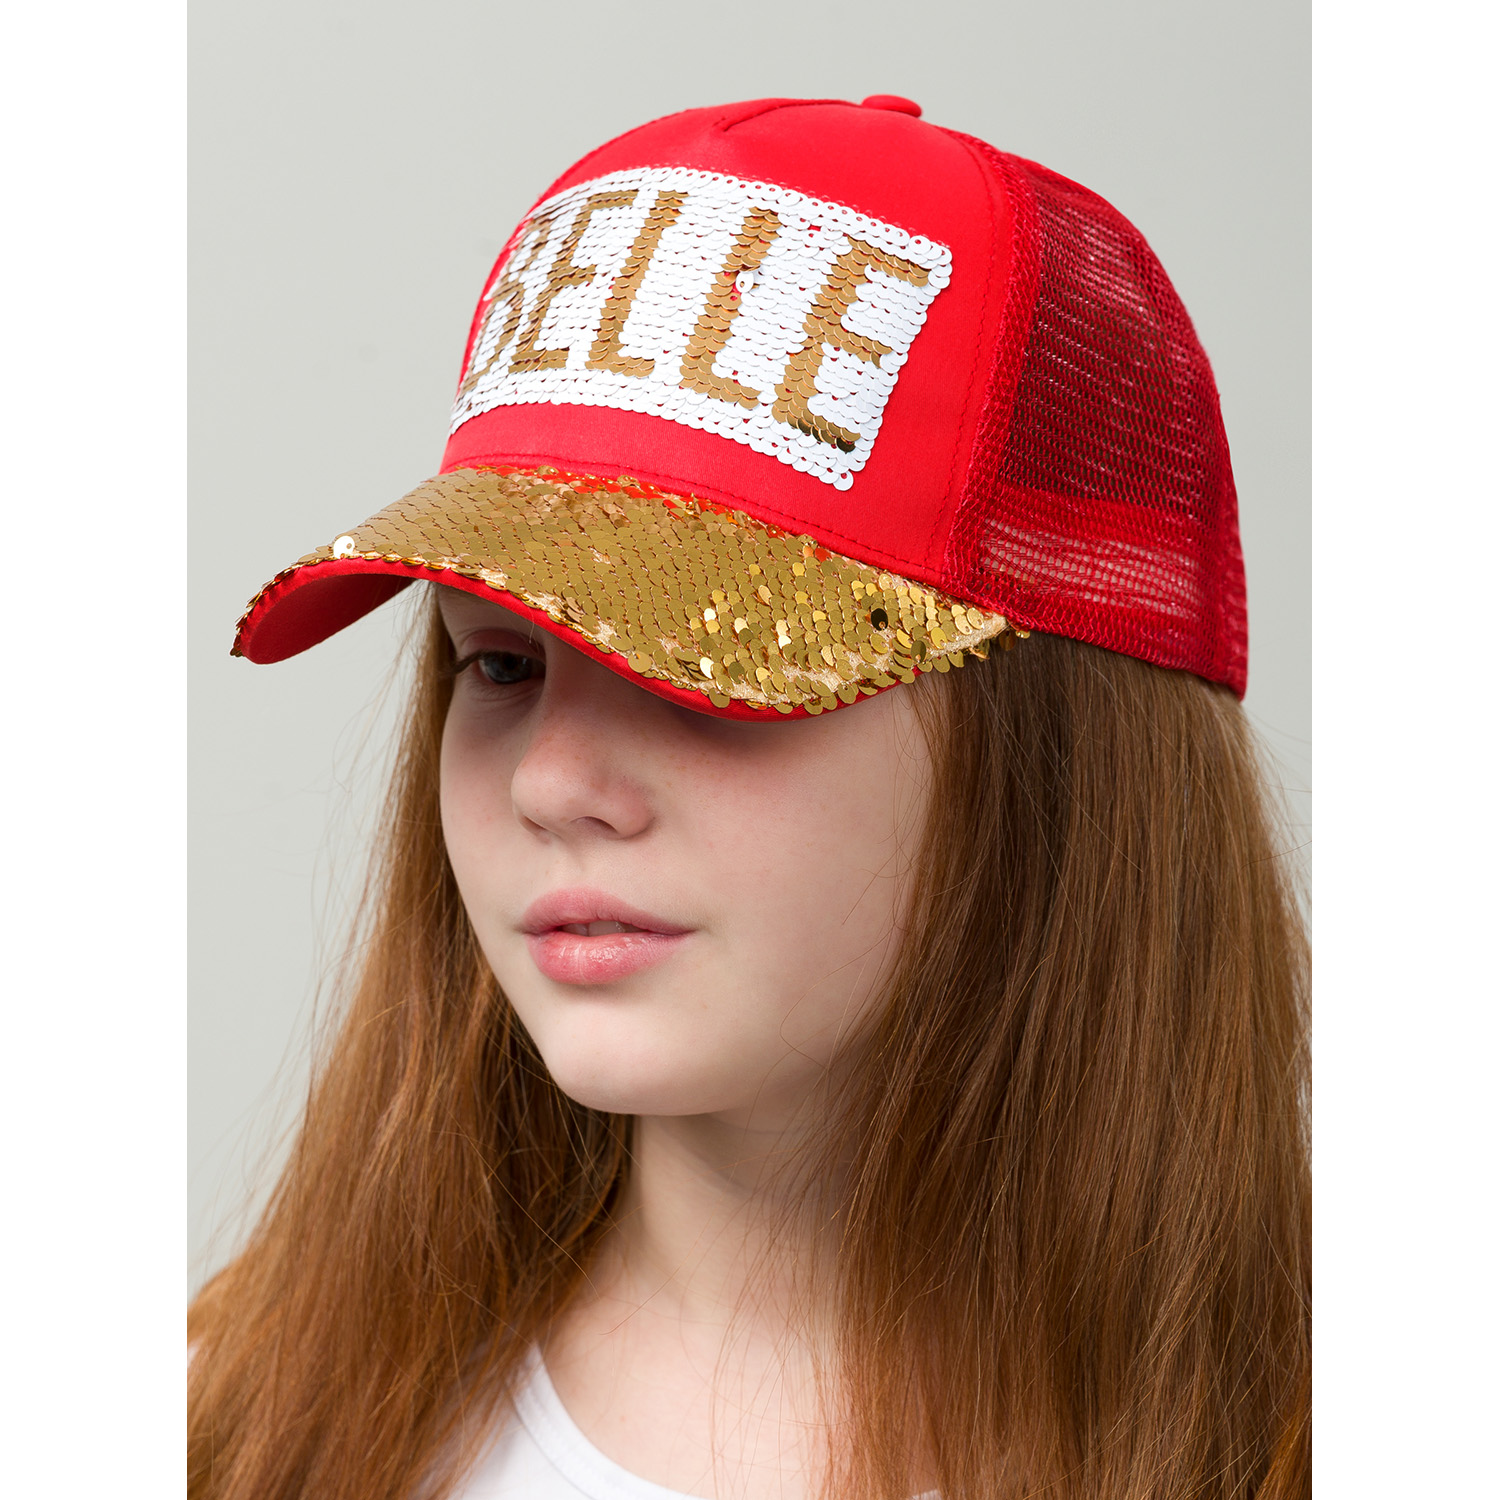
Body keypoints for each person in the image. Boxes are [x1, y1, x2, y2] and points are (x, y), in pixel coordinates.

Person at [187, 95, 1310, 1500]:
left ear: (1056, 756)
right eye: (502, 665)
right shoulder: (228, 1424)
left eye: (700, 664)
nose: (549, 783)